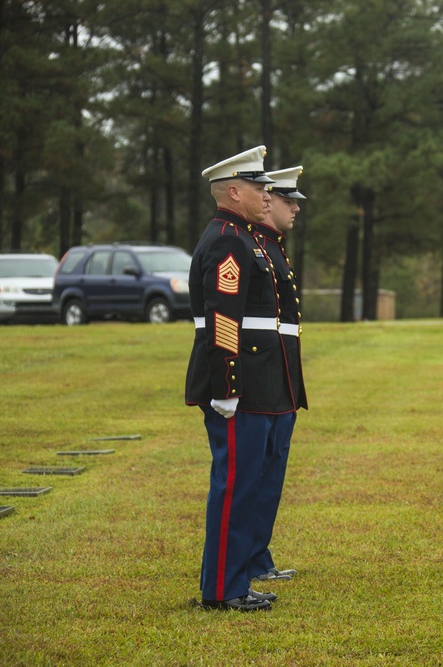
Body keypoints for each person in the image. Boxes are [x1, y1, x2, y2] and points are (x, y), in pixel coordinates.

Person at [185, 146, 301, 612]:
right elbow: (223, 319)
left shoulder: (241, 236)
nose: (265, 195)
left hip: (260, 381)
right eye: (257, 187)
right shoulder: (228, 240)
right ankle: (222, 589)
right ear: (234, 191)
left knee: (249, 482)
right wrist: (227, 388)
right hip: (243, 384)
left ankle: (235, 578)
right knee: (235, 485)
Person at [244, 165, 308, 584]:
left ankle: (258, 556)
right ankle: (249, 559)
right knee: (257, 475)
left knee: (271, 475)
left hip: (280, 377)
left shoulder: (273, 247)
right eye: (288, 201)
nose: (293, 209)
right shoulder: (255, 247)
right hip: (262, 379)